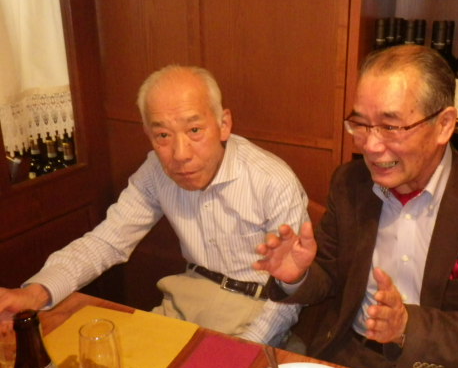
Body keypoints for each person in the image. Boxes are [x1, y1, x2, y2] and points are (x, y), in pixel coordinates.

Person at [254, 45, 458, 368]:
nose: (371, 146)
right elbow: (329, 275)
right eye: (361, 124)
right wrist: (297, 276)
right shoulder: (350, 183)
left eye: (390, 126)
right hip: (350, 360)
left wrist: (407, 327)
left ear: (444, 125)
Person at [0, 65, 309, 346]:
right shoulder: (155, 171)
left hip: (256, 308)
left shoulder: (272, 180)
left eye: (194, 130)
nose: (180, 154)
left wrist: (247, 346)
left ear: (223, 124)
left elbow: (290, 296)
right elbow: (107, 241)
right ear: (148, 135)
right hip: (185, 299)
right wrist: (35, 293)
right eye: (163, 135)